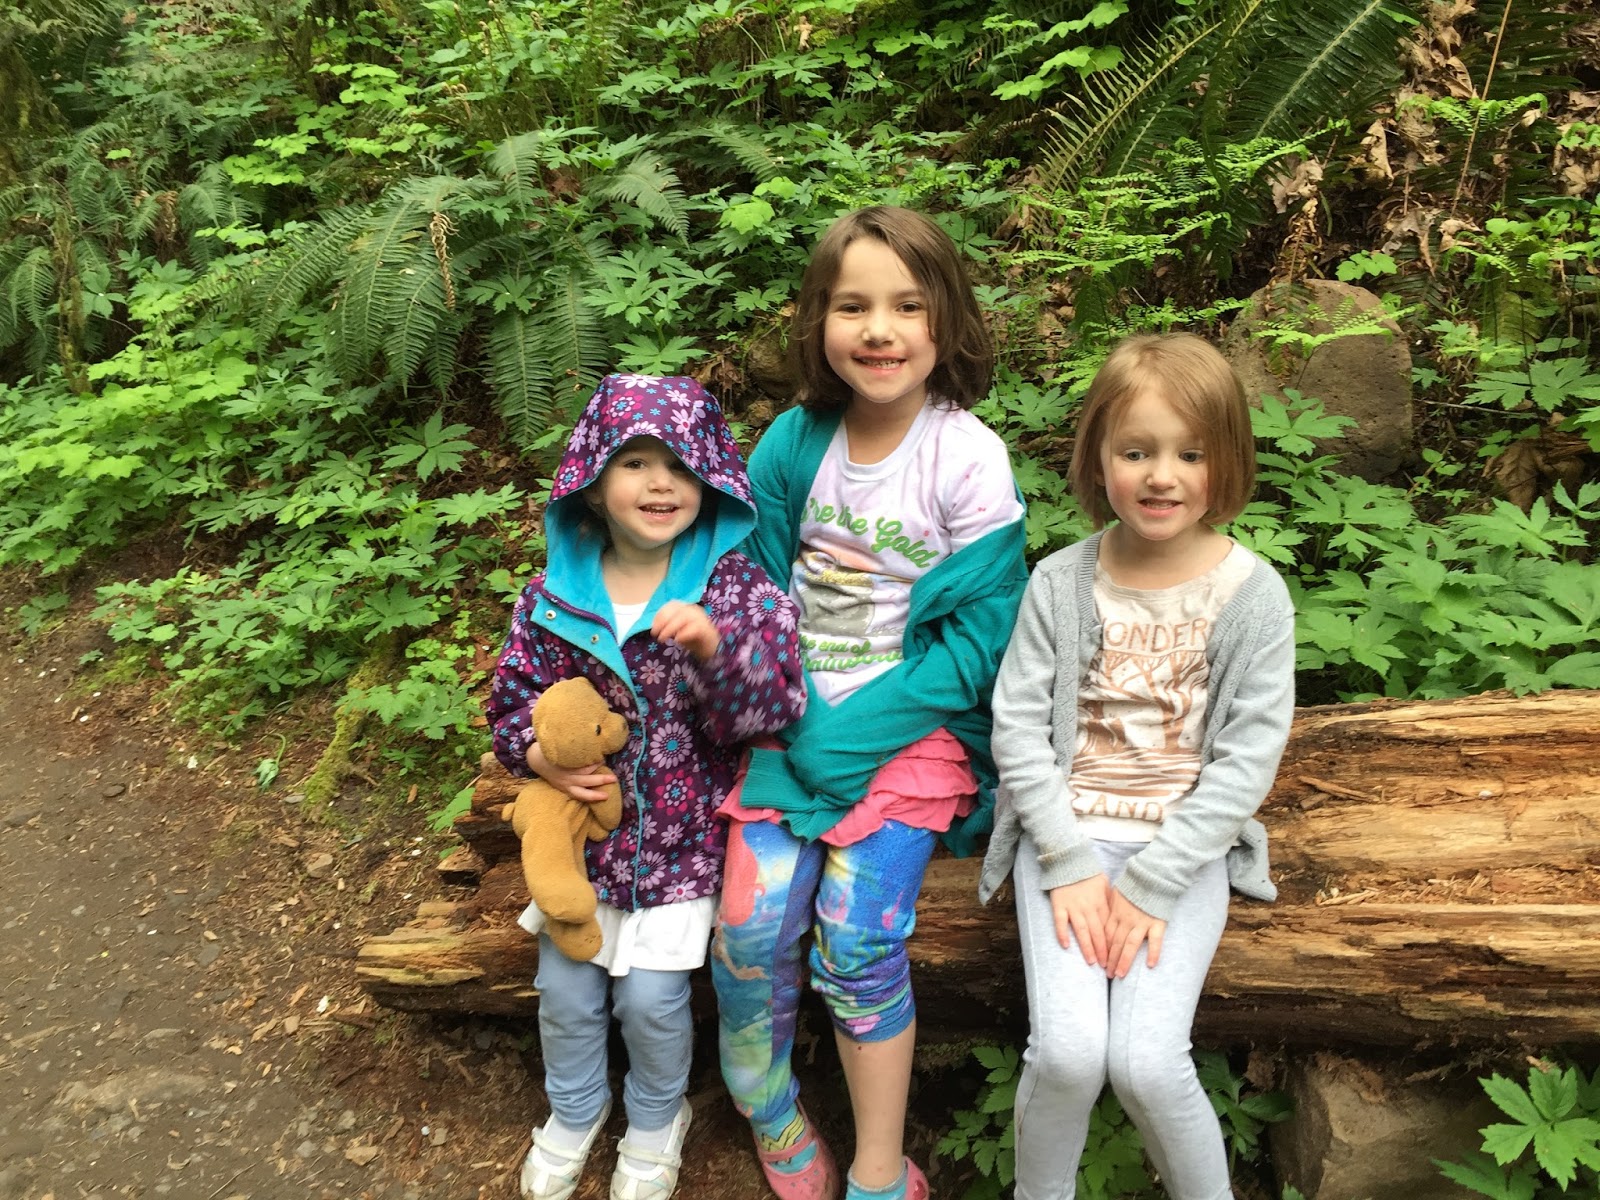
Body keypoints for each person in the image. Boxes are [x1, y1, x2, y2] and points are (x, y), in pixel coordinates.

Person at [712, 206, 1029, 1200]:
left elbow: (977, 643)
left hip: (912, 734)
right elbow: (753, 595)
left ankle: (881, 1166)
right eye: (853, 306)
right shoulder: (790, 445)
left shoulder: (966, 458)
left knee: (856, 940)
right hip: (788, 719)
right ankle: (769, 1110)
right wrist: (796, 718)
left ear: (947, 322)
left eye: (907, 306)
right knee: (749, 927)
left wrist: (855, 736)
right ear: (819, 322)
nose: (879, 330)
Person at [978, 332, 1295, 1200]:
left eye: (1191, 453)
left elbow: (1247, 759)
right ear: (1098, 458)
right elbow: (1018, 730)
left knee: (1147, 1063)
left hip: (1182, 854)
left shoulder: (1253, 595)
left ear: (1227, 461)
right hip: (1066, 842)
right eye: (1136, 451)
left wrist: (1155, 881)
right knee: (1070, 1055)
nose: (1162, 476)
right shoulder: (1060, 582)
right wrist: (1067, 860)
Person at [487, 374, 809, 1200]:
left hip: (681, 851)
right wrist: (540, 756)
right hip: (580, 847)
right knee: (564, 991)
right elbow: (512, 704)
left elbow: (776, 706)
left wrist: (713, 651)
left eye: (681, 465)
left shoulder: (733, 590)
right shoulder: (554, 597)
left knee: (653, 1003)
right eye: (634, 463)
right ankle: (574, 1108)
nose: (660, 483)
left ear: (712, 482)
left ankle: (659, 1117)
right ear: (592, 485)